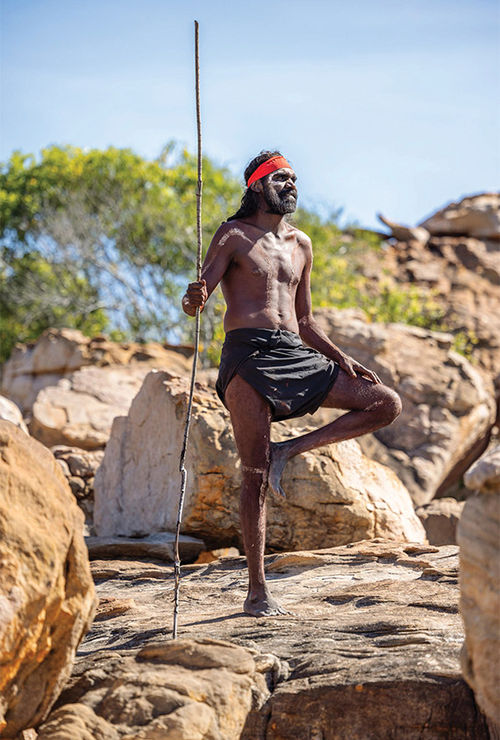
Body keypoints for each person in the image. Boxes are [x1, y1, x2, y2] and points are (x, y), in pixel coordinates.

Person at [182, 150, 402, 617]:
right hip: (247, 356)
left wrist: (344, 359)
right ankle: (257, 590)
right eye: (281, 178)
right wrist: (193, 296)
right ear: (258, 186)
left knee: (384, 402)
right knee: (255, 475)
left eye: (295, 179)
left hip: (295, 353)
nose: (291, 185)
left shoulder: (302, 243)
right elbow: (195, 300)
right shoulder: (233, 234)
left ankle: (289, 450)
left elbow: (305, 320)